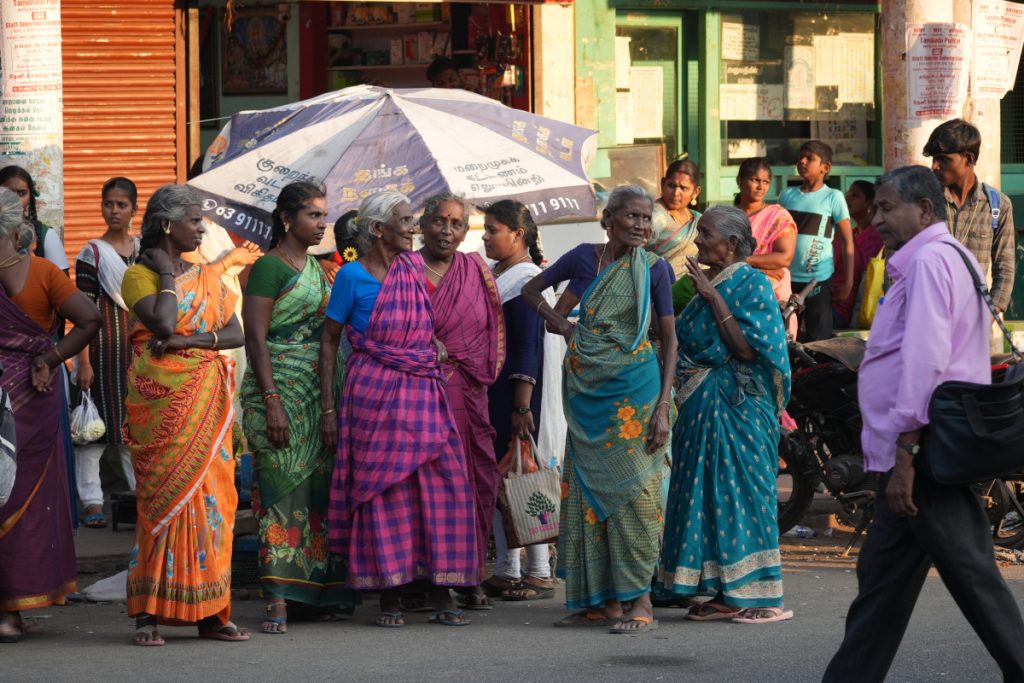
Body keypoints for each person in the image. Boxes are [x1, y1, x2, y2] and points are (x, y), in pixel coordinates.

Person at [822, 166, 1024, 681]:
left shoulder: (933, 261)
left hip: (923, 453)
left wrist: (907, 454)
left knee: (974, 577)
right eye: (878, 207)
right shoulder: (935, 258)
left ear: (926, 210)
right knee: (882, 582)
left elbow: (927, 361)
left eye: (889, 208)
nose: (877, 217)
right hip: (914, 452)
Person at [522, 185, 677, 634]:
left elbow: (669, 341)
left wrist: (664, 405)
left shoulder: (656, 270)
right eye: (633, 216)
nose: (642, 226)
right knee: (588, 496)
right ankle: (600, 602)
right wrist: (562, 326)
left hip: (638, 393)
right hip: (587, 394)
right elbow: (532, 290)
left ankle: (639, 598)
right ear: (607, 219)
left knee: (636, 496)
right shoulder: (583, 259)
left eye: (647, 219)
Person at [319, 191, 477, 628]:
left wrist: (432, 344)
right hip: (374, 392)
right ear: (378, 229)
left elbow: (421, 323)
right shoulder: (350, 276)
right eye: (405, 221)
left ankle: (442, 588)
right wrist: (328, 410)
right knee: (384, 492)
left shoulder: (412, 268)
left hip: (423, 389)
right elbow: (330, 339)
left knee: (438, 485)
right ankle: (389, 596)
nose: (413, 228)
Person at [121, 184, 249, 646]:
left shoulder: (208, 275)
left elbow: (234, 331)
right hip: (161, 402)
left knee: (214, 501)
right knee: (161, 502)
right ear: (166, 224)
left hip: (207, 398)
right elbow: (162, 322)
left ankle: (212, 613)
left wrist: (191, 343)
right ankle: (147, 615)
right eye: (195, 220)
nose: (202, 227)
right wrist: (167, 275)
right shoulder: (140, 274)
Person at [657, 205, 793, 624]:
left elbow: (749, 350)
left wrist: (714, 299)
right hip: (700, 407)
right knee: (706, 496)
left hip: (739, 406)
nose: (697, 241)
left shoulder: (750, 283)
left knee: (741, 494)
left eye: (706, 234)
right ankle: (721, 590)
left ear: (732, 243)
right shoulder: (700, 283)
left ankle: (760, 594)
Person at [240, 182, 357, 635]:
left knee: (319, 492)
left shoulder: (318, 269)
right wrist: (272, 402)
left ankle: (316, 592)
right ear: (288, 219)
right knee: (278, 489)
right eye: (313, 214)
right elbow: (256, 338)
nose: (322, 222)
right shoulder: (269, 268)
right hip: (277, 391)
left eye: (324, 214)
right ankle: (277, 598)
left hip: (317, 391)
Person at [0, 186, 101, 643]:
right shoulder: (39, 270)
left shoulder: (42, 272)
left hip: (26, 400)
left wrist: (49, 359)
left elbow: (90, 317)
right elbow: (87, 320)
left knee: (18, 502)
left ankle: (12, 610)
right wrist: (51, 357)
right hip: (24, 394)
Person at [417, 193, 505, 611]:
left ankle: (469, 574)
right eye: (438, 221)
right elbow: (391, 325)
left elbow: (489, 330)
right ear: (422, 224)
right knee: (435, 488)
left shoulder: (475, 270)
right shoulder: (407, 269)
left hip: (470, 393)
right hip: (422, 395)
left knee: (477, 481)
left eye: (456, 223)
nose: (447, 231)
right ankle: (432, 577)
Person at [480, 200, 566, 602]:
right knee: (505, 478)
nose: (484, 236)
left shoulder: (528, 279)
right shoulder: (503, 276)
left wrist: (521, 406)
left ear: (517, 234)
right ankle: (507, 569)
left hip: (522, 393)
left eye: (493, 229)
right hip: (499, 390)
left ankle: (539, 571)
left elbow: (529, 347)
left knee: (529, 478)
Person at [73, 178, 140, 529]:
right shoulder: (92, 254)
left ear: (134, 209)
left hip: (138, 354)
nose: (113, 211)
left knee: (136, 429)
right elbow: (83, 311)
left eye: (121, 205)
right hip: (100, 353)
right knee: (92, 432)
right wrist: (82, 361)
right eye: (108, 204)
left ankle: (142, 495)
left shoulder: (145, 251)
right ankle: (92, 501)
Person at [923, 118, 1016, 314]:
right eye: (933, 159)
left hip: (972, 319)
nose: (935, 166)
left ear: (969, 159)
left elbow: (1005, 270)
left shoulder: (997, 205)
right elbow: (897, 262)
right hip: (927, 315)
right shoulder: (923, 202)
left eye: (943, 159)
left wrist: (989, 315)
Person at [778, 141, 854, 341]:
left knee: (818, 337)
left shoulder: (833, 197)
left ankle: (818, 372)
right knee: (786, 333)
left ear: (825, 167)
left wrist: (848, 282)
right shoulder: (787, 195)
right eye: (800, 157)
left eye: (810, 158)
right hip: (787, 279)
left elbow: (847, 242)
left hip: (818, 280)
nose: (802, 162)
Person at [736, 157, 797, 336]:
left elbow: (784, 257)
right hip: (735, 291)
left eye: (765, 182)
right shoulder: (727, 216)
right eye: (755, 180)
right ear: (740, 181)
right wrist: (759, 265)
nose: (761, 187)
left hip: (772, 294)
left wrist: (742, 261)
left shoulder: (778, 217)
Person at [832, 180, 882, 329]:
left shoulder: (877, 236)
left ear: (869, 203)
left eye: (855, 195)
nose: (848, 199)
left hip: (864, 306)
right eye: (847, 194)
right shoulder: (851, 234)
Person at [0, 165, 68, 271]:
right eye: (7, 192)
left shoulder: (45, 236)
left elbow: (61, 284)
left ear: (30, 197)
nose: (14, 200)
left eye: (21, 193)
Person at [649, 159, 701, 277]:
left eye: (683, 188)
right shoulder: (655, 216)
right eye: (671, 186)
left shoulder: (696, 218)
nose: (676, 193)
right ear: (663, 184)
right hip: (662, 288)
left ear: (696, 192)